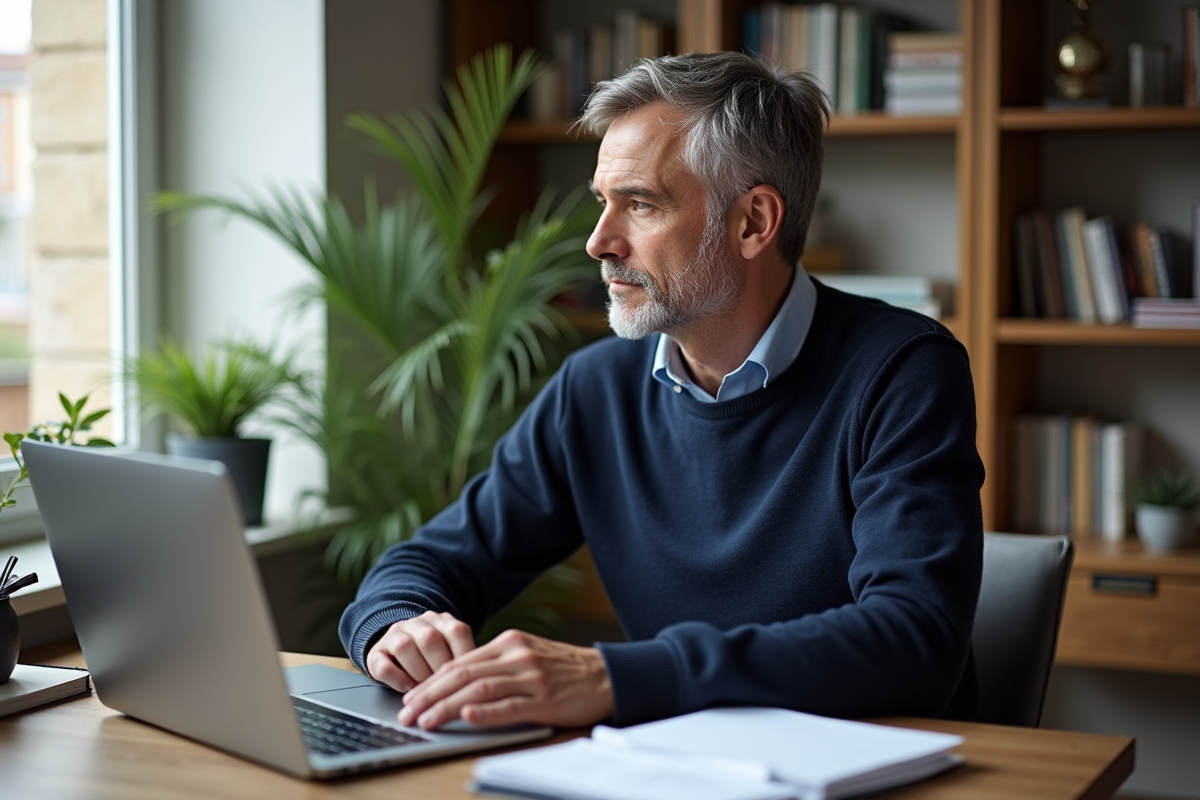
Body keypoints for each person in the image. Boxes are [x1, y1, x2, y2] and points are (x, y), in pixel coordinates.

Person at [339, 51, 984, 732]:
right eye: (602, 203)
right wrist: (398, 625)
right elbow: (431, 560)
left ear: (753, 223)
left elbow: (914, 642)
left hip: (869, 767)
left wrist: (612, 675)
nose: (597, 242)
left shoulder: (902, 370)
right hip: (674, 763)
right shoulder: (594, 391)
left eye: (639, 204)